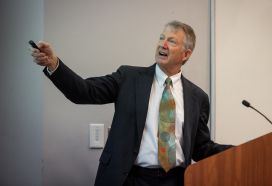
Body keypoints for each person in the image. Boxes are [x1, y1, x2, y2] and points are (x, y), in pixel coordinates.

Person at [29, 20, 233, 186]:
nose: (162, 44)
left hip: (175, 181)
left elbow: (201, 147)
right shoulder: (128, 77)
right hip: (129, 178)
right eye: (161, 38)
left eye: (171, 41)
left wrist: (241, 150)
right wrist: (54, 64)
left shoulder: (197, 97)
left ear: (186, 54)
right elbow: (84, 91)